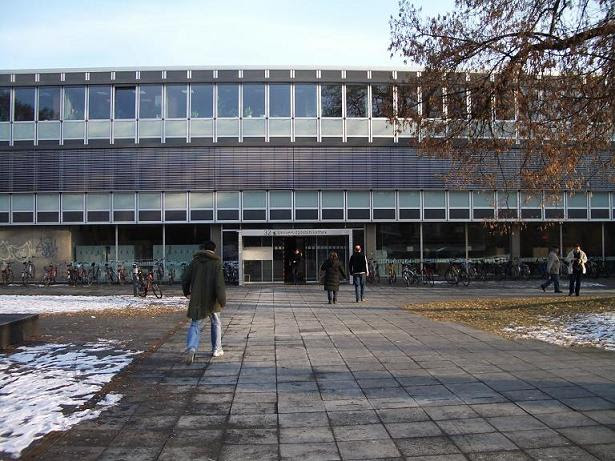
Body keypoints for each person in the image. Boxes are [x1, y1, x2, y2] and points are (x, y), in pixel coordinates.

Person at [182, 241, 226, 365]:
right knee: (216, 322)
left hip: (197, 297)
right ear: (214, 249)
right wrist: (222, 300)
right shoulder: (216, 262)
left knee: (195, 323)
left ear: (203, 249)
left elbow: (185, 278)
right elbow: (219, 284)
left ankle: (191, 348)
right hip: (212, 299)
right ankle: (216, 349)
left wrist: (186, 292)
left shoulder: (195, 262)